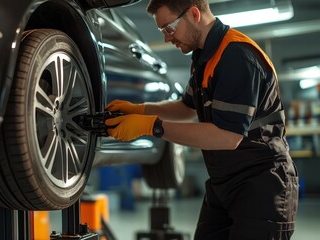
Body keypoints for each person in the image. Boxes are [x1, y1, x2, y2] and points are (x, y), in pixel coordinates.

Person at [104, 0, 299, 239]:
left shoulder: (237, 57)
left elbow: (227, 137)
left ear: (194, 14)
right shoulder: (203, 57)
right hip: (223, 183)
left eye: (169, 28)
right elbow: (187, 108)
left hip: (262, 185)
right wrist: (141, 109)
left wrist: (152, 127)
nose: (167, 38)